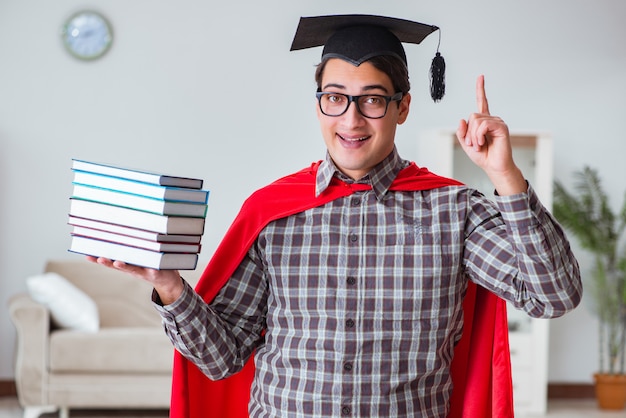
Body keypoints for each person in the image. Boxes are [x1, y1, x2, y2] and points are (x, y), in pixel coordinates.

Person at [88, 14, 582, 418]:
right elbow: (221, 360)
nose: (350, 119)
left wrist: (506, 175)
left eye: (371, 99)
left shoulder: (455, 210)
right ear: (319, 103)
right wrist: (171, 287)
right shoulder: (272, 212)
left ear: (402, 106)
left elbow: (553, 297)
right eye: (335, 98)